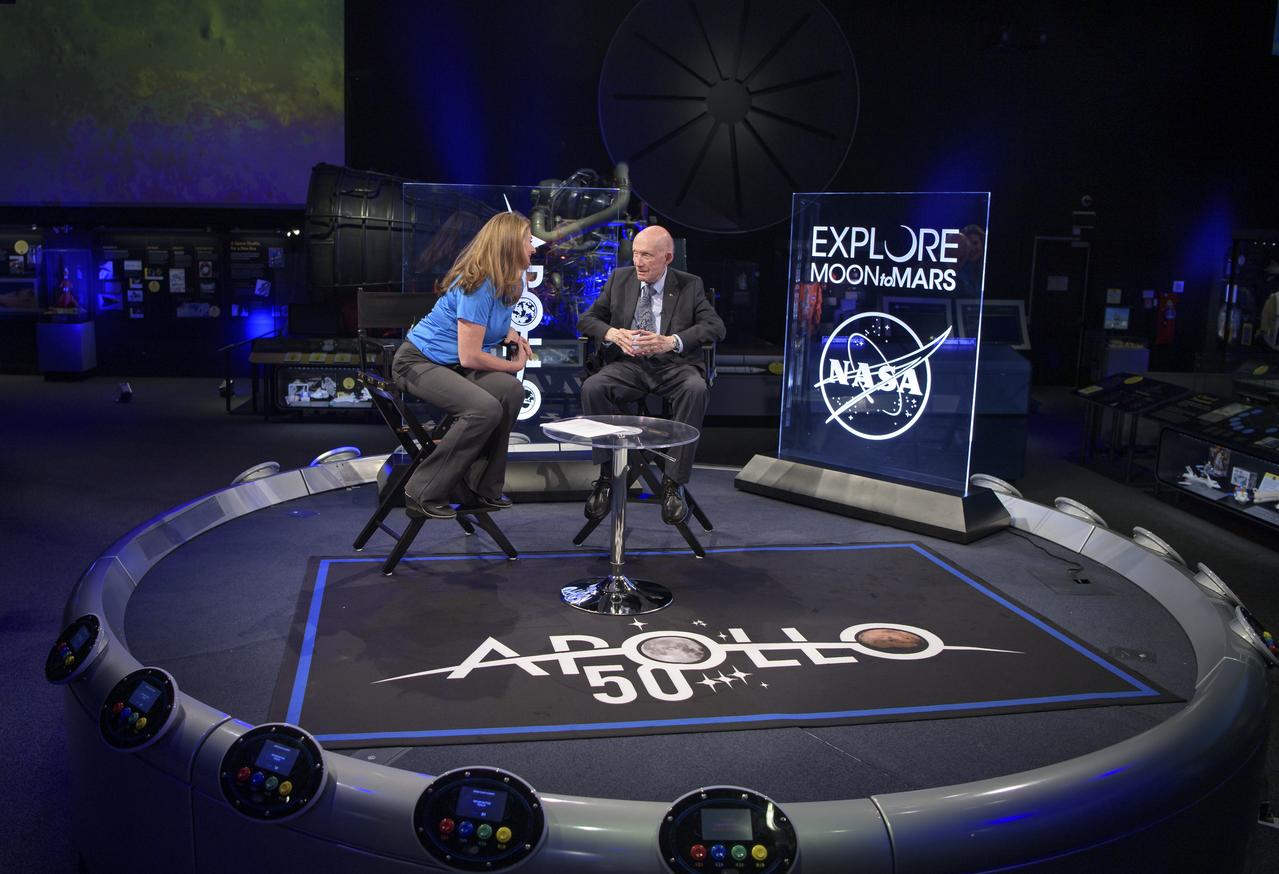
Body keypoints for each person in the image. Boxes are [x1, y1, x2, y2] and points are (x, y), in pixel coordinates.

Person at [577, 225, 725, 525]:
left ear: (667, 257)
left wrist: (672, 340)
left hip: (673, 366)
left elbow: (715, 327)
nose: (639, 262)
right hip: (628, 366)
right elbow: (587, 319)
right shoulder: (620, 279)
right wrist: (612, 333)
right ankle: (607, 476)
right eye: (635, 254)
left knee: (695, 389)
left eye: (646, 255)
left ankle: (673, 483)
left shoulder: (689, 285)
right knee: (593, 387)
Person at [391, 211, 535, 519]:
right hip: (417, 362)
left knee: (510, 393)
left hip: (450, 364)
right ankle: (422, 491)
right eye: (527, 241)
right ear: (509, 245)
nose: (533, 247)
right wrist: (513, 365)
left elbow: (489, 326)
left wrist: (512, 335)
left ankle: (482, 487)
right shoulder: (478, 283)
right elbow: (470, 356)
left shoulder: (509, 282)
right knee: (483, 408)